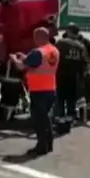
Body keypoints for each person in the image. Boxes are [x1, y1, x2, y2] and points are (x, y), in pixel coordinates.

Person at [10, 27, 59, 155]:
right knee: (46, 119)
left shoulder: (37, 52)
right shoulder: (53, 50)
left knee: (39, 120)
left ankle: (41, 146)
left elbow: (21, 66)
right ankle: (49, 144)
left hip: (38, 90)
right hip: (51, 88)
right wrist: (25, 57)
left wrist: (14, 59)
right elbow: (38, 63)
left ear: (38, 37)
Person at [55, 24, 88, 133]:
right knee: (71, 102)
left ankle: (60, 123)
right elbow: (84, 65)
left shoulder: (61, 43)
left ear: (68, 31)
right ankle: (68, 123)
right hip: (74, 78)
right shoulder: (81, 46)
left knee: (60, 100)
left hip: (61, 76)